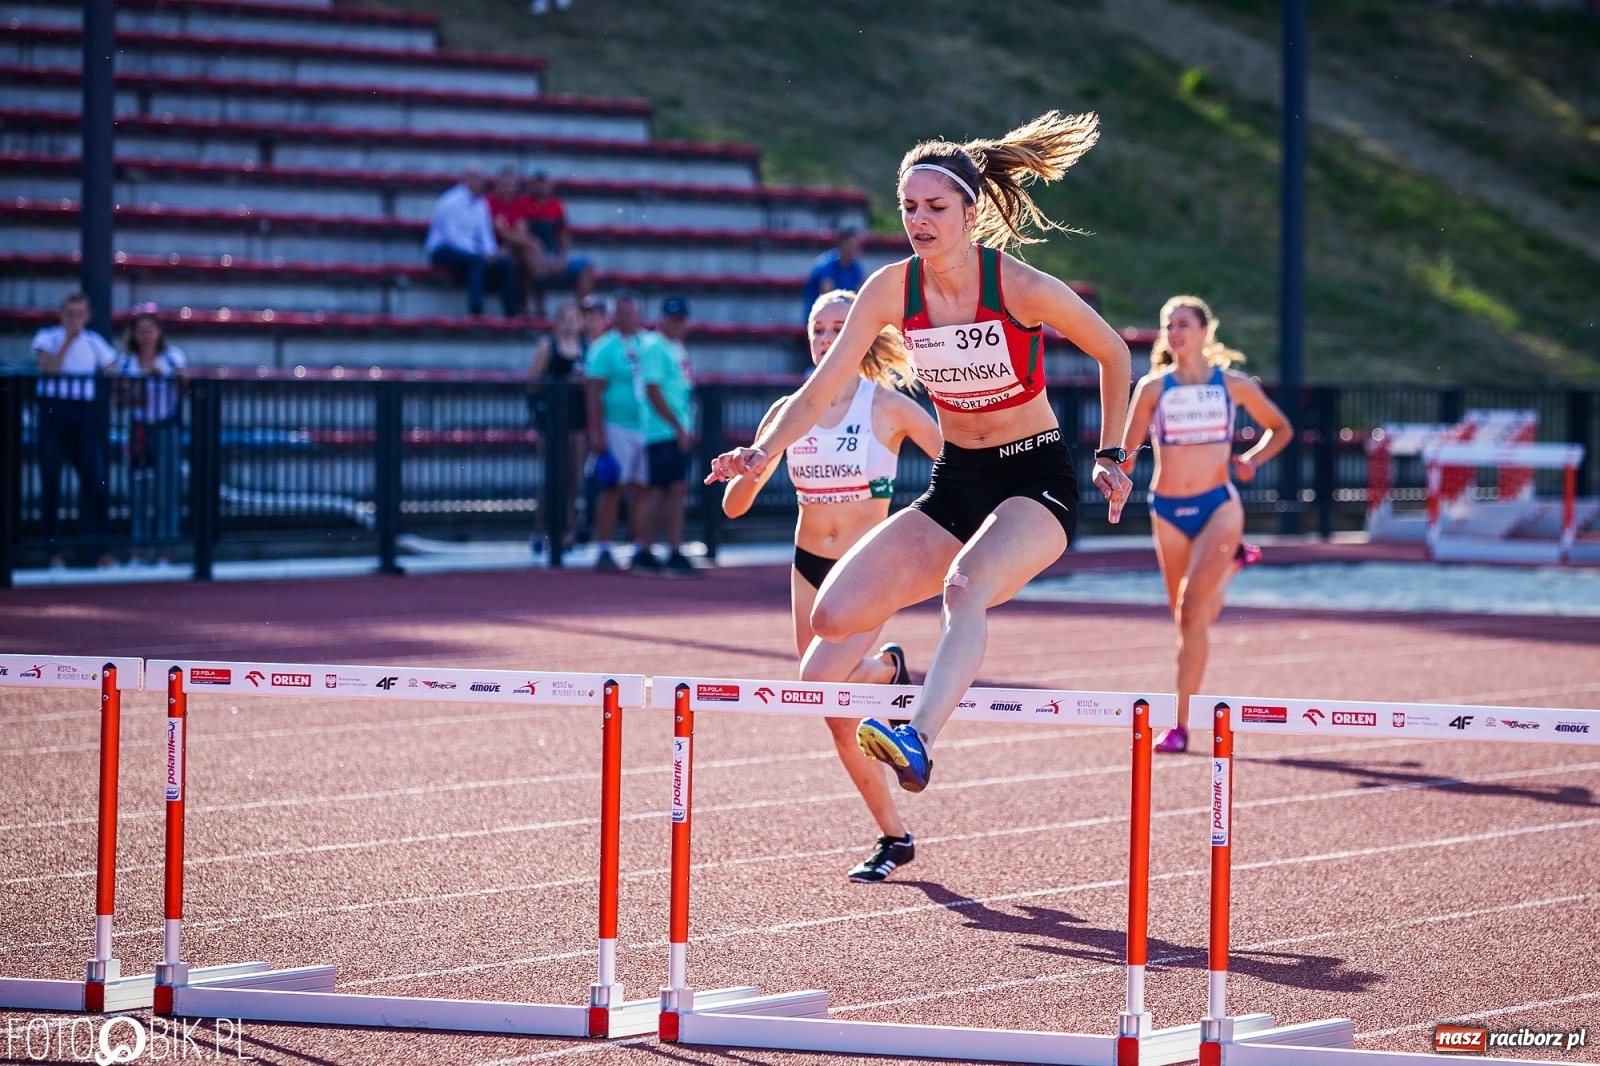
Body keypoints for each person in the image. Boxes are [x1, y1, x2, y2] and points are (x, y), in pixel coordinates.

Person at [706, 110, 1134, 793]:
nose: (919, 220)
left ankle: (919, 738)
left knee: (967, 587)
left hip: (1034, 480)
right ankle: (895, 674)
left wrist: (1113, 454)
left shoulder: (1015, 286)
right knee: (832, 617)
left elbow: (1114, 353)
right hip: (957, 482)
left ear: (969, 212)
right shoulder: (891, 289)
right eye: (908, 208)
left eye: (935, 207)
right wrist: (759, 454)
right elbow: (817, 394)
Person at [722, 289, 943, 880]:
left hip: (867, 571)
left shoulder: (888, 405)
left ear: (863, 336)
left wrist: (923, 530)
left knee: (817, 681)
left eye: (839, 327)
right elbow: (735, 506)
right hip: (807, 568)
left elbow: (958, 464)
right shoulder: (787, 411)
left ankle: (888, 670)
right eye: (818, 329)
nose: (826, 338)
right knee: (833, 710)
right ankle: (894, 837)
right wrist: (745, 468)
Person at [1116, 296, 1290, 753]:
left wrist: (1252, 460)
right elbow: (1128, 454)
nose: (1174, 332)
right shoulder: (1153, 389)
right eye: (1167, 325)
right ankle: (1232, 565)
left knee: (1193, 609)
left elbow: (1281, 427)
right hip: (1168, 510)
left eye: (1184, 324)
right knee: (1187, 618)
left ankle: (1180, 724)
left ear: (1205, 331)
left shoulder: (1230, 385)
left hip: (1218, 505)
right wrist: (1114, 478)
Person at [32, 292, 118, 569]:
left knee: (97, 483)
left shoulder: (95, 343)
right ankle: (53, 553)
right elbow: (49, 370)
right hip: (54, 412)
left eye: (80, 314)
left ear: (88, 316)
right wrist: (69, 338)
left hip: (84, 415)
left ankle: (100, 549)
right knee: (51, 484)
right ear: (61, 314)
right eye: (70, 313)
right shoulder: (48, 338)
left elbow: (113, 372)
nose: (75, 319)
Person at [583, 291, 667, 572]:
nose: (627, 318)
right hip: (617, 423)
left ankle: (639, 545)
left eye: (631, 312)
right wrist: (598, 433)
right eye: (622, 313)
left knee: (644, 487)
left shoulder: (650, 343)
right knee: (613, 487)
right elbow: (593, 393)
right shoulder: (604, 348)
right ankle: (603, 545)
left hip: (647, 425)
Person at [632, 296, 699, 576]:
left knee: (667, 490)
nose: (678, 324)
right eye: (673, 319)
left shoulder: (673, 347)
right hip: (664, 431)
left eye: (681, 319)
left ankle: (650, 550)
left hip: (670, 429)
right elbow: (653, 390)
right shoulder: (657, 347)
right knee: (669, 490)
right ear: (663, 321)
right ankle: (664, 550)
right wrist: (677, 426)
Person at [116, 310, 187, 567]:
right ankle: (138, 550)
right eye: (141, 330)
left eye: (150, 330)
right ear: (134, 335)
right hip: (139, 430)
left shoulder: (172, 356)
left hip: (166, 427)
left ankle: (166, 550)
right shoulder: (126, 361)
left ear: (159, 332)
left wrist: (166, 376)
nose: (146, 335)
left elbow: (184, 387)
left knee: (167, 490)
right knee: (138, 491)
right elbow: (119, 397)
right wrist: (136, 387)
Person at [529, 300, 588, 554]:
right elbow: (533, 383)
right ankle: (541, 528)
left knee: (572, 478)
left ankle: (568, 530)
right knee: (552, 477)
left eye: (575, 318)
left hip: (576, 420)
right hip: (551, 422)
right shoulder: (547, 346)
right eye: (566, 318)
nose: (571, 323)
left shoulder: (587, 348)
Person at [424, 168, 519, 317]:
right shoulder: (450, 202)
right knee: (477, 261)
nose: (479, 183)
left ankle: (512, 313)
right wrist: (480, 253)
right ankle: (476, 311)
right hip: (443, 250)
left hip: (472, 250)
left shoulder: (481, 204)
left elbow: (485, 233)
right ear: (465, 180)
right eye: (475, 179)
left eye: (481, 180)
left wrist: (492, 253)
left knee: (505, 263)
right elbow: (451, 237)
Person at [523, 171, 595, 316]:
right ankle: (539, 311)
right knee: (533, 266)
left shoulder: (556, 205)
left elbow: (563, 235)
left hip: (554, 257)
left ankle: (584, 312)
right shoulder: (524, 204)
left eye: (543, 183)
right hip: (535, 258)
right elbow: (523, 234)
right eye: (537, 183)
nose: (540, 187)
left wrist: (562, 258)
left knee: (586, 266)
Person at [486, 167, 541, 315]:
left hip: (513, 249)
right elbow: (497, 231)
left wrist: (508, 235)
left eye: (512, 184)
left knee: (526, 257)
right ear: (497, 185)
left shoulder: (520, 203)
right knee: (527, 253)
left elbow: (520, 232)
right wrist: (529, 241)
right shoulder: (488, 203)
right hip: (491, 251)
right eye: (505, 184)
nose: (509, 188)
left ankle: (526, 307)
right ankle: (530, 308)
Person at [801, 227, 866, 319]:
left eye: (857, 246)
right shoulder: (826, 264)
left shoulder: (856, 268)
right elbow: (828, 296)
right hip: (818, 319)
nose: (854, 249)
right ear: (842, 244)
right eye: (851, 245)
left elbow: (856, 295)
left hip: (840, 317)